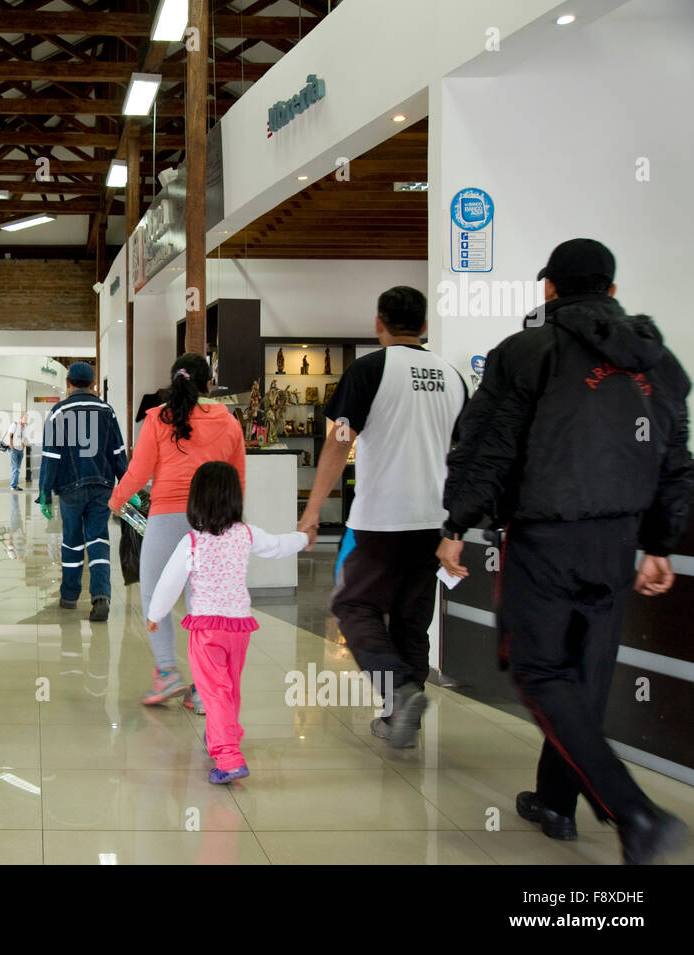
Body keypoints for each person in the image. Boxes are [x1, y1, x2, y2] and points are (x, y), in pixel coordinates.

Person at [437, 238, 693, 864]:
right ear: (610, 289)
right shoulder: (660, 365)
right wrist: (659, 542)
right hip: (617, 543)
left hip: (546, 538)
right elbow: (674, 460)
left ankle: (635, 813)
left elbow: (488, 446)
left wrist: (455, 524)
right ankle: (555, 802)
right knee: (583, 675)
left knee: (540, 671)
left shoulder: (526, 354)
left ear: (549, 289)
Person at [297, 286, 466, 748]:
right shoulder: (453, 377)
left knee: (353, 606)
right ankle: (399, 718)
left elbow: (337, 442)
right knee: (413, 618)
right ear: (425, 326)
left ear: (379, 324)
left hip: (380, 519)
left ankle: (398, 690)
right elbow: (464, 453)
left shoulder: (370, 369)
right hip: (434, 520)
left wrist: (312, 511)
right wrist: (458, 527)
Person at [147, 462, 313, 783]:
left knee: (213, 692)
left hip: (207, 630)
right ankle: (227, 734)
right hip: (238, 628)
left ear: (196, 500)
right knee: (230, 687)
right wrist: (302, 538)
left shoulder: (193, 542)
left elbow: (169, 582)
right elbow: (279, 546)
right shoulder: (246, 534)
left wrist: (155, 615)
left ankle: (228, 757)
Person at [109, 353, 246, 710]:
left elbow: (138, 472)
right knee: (206, 605)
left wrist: (116, 501)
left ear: (174, 383)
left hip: (167, 517)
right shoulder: (229, 422)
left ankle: (168, 671)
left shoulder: (158, 418)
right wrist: (233, 523)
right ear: (208, 384)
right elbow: (237, 479)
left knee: (157, 597)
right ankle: (203, 689)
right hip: (212, 522)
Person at [38, 361, 128, 622]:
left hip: (69, 489)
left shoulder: (58, 412)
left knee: (72, 541)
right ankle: (101, 595)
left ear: (68, 383)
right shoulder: (106, 411)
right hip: (102, 486)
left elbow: (51, 457)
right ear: (92, 383)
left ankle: (69, 596)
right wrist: (127, 484)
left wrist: (45, 492)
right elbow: (118, 454)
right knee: (98, 540)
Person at [7, 412, 28, 490]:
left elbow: (25, 437)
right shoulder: (15, 425)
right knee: (14, 468)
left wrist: (24, 447)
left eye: (26, 418)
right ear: (21, 418)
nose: (26, 419)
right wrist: (11, 446)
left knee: (18, 469)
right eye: (24, 418)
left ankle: (15, 485)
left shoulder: (24, 427)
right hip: (14, 449)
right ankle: (12, 485)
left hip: (20, 450)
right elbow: (10, 435)